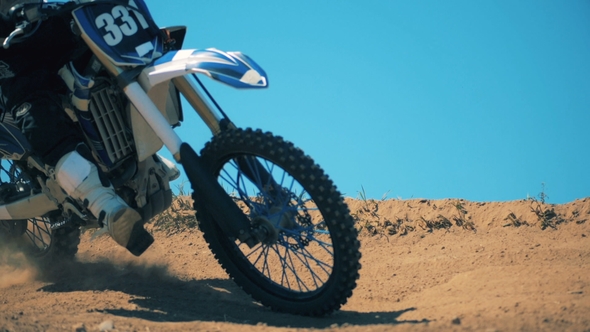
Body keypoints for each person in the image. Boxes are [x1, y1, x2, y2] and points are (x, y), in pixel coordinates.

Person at [0, 0, 150, 252]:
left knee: (110, 68)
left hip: (56, 29)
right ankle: (107, 208)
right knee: (38, 114)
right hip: (12, 55)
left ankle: (136, 159)